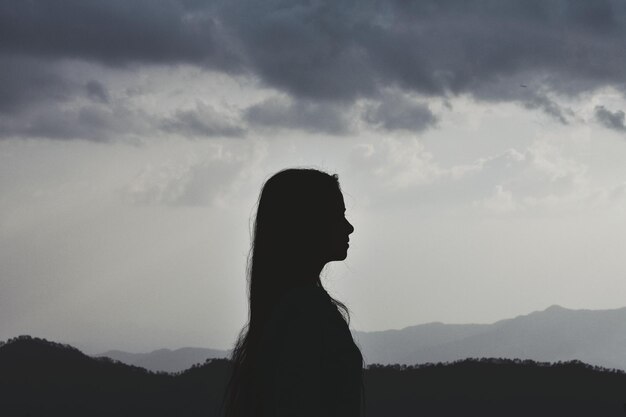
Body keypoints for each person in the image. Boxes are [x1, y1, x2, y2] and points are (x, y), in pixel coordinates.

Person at [222, 168, 364, 417]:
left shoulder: (288, 310)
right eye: (338, 216)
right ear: (308, 223)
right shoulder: (306, 314)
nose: (349, 227)